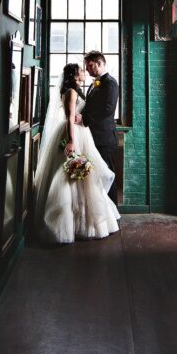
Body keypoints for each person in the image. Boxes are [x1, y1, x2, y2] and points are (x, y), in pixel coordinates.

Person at [32, 63, 120, 243]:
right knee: (71, 176)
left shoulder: (77, 90)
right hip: (73, 134)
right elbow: (69, 118)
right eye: (81, 70)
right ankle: (68, 224)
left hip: (82, 133)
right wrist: (71, 140)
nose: (84, 72)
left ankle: (82, 220)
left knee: (83, 177)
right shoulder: (71, 92)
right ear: (73, 75)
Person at [79, 51, 121, 204]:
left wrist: (85, 119)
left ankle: (113, 213)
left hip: (105, 139)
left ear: (99, 63)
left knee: (107, 175)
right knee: (95, 176)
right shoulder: (96, 82)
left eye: (90, 66)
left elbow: (108, 108)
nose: (87, 69)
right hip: (93, 137)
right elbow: (91, 106)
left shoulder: (110, 82)